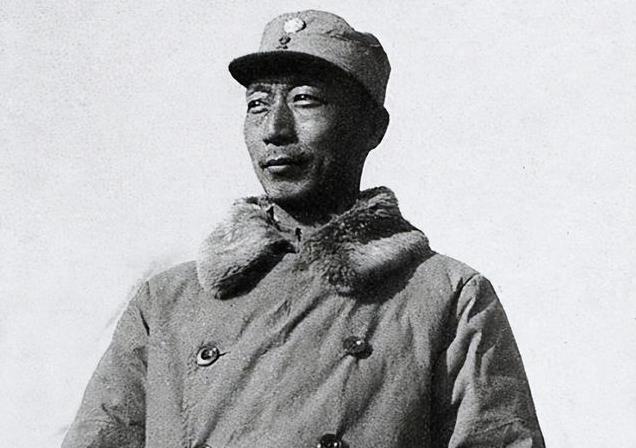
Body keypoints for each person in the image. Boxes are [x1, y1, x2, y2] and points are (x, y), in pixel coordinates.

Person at [63, 10, 545, 448]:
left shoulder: (446, 295)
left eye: (305, 100)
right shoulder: (169, 302)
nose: (275, 128)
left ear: (372, 127)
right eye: (257, 104)